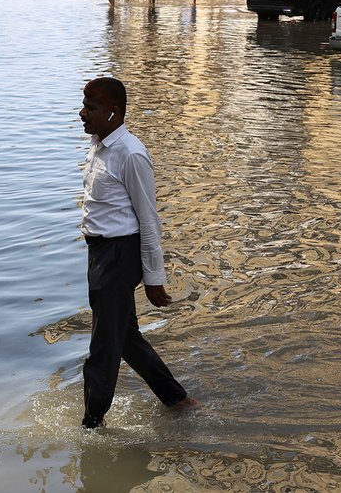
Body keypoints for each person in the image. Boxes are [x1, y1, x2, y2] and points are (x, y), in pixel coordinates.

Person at [77, 77, 199, 429]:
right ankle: (177, 399)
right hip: (100, 253)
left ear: (114, 112)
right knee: (124, 336)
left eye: (91, 108)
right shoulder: (100, 146)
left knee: (103, 346)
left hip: (118, 255)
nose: (82, 114)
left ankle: (92, 425)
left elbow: (149, 218)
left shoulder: (131, 154)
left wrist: (153, 277)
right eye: (84, 105)